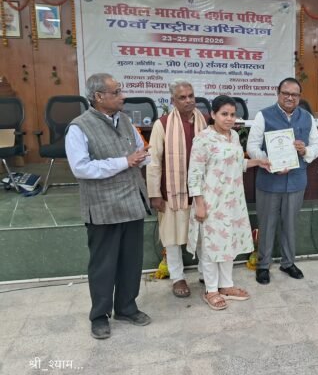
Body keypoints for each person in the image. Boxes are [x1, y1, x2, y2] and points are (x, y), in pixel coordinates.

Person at [65, 73, 152, 339]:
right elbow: (81, 168)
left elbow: (140, 150)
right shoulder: (79, 127)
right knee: (103, 265)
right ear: (99, 96)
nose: (122, 96)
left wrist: (146, 156)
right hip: (103, 207)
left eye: (120, 91)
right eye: (116, 92)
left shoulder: (124, 120)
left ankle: (126, 307)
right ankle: (99, 316)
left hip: (132, 201)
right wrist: (125, 161)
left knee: (131, 261)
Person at [187, 95, 270, 310]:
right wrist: (199, 203)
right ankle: (211, 290)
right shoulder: (203, 139)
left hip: (233, 201)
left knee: (228, 244)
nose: (229, 118)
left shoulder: (233, 136)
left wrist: (258, 162)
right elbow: (194, 174)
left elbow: (236, 163)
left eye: (233, 114)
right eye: (224, 114)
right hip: (211, 201)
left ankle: (226, 285)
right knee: (211, 246)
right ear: (213, 114)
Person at [247, 78, 318, 285]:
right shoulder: (263, 115)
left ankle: (288, 263)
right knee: (267, 224)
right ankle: (263, 265)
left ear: (299, 96)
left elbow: (317, 145)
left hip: (296, 181)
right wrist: (267, 161)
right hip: (269, 181)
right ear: (278, 93)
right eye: (286, 93)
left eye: (294, 94)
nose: (290, 97)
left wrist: (305, 150)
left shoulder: (306, 117)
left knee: (290, 224)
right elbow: (252, 146)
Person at [147, 80, 207, 298]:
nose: (188, 100)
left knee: (202, 235)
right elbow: (153, 161)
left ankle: (206, 273)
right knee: (172, 237)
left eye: (191, 96)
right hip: (172, 190)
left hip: (200, 190)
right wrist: (154, 194)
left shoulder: (205, 121)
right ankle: (177, 277)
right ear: (173, 100)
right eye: (182, 97)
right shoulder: (162, 124)